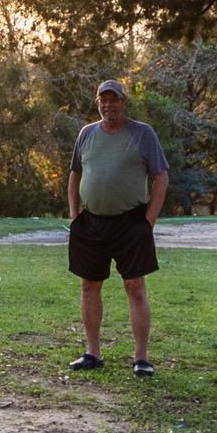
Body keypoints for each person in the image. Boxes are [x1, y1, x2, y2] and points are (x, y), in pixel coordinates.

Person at [65, 78, 170, 376]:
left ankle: (141, 358)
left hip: (131, 223)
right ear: (98, 103)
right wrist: (74, 215)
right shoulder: (86, 134)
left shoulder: (142, 133)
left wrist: (148, 220)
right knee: (89, 287)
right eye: (103, 100)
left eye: (114, 99)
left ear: (124, 102)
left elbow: (161, 176)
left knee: (135, 288)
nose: (108, 105)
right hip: (91, 222)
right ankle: (92, 353)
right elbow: (74, 175)